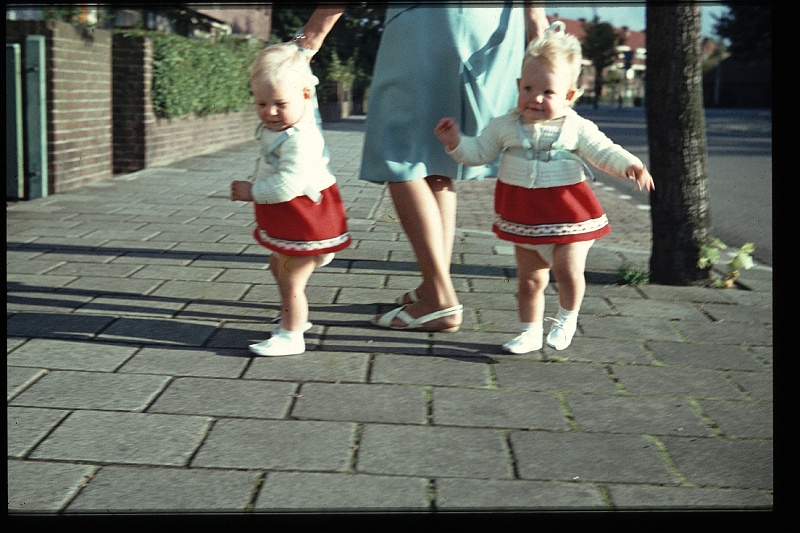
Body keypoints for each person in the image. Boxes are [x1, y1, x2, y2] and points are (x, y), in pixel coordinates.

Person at [290, 3, 550, 332]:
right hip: (495, 26)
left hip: (428, 21)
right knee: (436, 158)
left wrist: (310, 35)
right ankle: (433, 285)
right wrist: (536, 23)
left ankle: (440, 301)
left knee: (399, 152)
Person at [434, 22, 655, 352]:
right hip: (523, 213)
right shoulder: (505, 126)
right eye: (528, 89)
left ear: (567, 96)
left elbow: (603, 151)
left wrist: (630, 165)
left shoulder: (575, 126)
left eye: (548, 92)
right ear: (518, 86)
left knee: (567, 270)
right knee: (531, 279)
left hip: (569, 211)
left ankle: (567, 317)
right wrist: (455, 142)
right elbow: (478, 153)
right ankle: (529, 331)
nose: (535, 98)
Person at [230, 43, 351, 356]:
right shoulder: (283, 126)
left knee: (290, 278)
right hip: (294, 214)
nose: (269, 112)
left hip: (305, 214)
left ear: (306, 97)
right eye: (261, 103)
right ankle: (293, 315)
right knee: (279, 265)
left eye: (279, 103)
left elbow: (289, 183)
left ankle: (291, 333)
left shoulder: (301, 139)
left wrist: (252, 192)